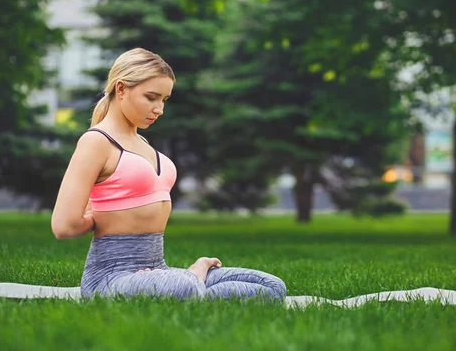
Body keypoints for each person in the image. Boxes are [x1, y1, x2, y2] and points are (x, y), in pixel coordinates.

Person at [51, 48, 287, 302]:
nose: (159, 109)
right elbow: (64, 226)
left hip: (157, 271)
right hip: (111, 277)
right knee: (185, 288)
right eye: (151, 97)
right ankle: (192, 280)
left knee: (273, 287)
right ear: (121, 89)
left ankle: (190, 284)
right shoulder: (96, 142)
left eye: (164, 99)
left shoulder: (141, 141)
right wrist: (102, 216)